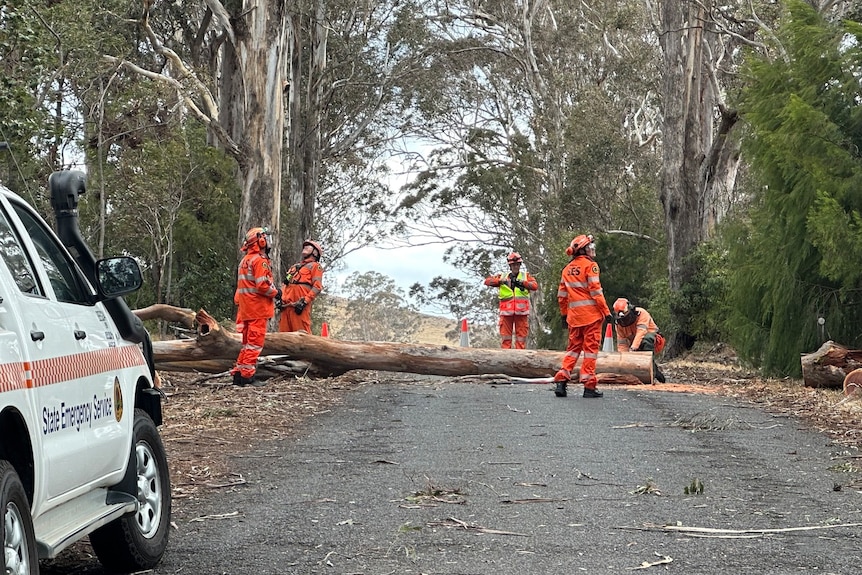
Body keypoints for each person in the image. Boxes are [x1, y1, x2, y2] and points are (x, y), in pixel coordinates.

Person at [553, 235, 612, 398]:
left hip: (574, 318)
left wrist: (565, 315)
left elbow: (562, 296)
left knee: (572, 350)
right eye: (590, 246)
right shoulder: (591, 266)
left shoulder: (566, 270)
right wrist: (606, 312)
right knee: (591, 351)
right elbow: (596, 292)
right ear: (583, 249)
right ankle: (589, 386)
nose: (592, 249)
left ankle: (562, 381)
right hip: (591, 317)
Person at [231, 227, 281, 387]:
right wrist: (277, 293)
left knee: (247, 344)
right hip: (258, 309)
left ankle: (238, 374)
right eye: (265, 238)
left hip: (246, 309)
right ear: (260, 241)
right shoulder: (259, 261)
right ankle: (247, 377)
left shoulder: (244, 261)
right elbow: (262, 286)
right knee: (254, 344)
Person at [483, 252, 539, 349]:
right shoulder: (502, 276)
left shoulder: (526, 276)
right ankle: (506, 359)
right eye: (513, 265)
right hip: (506, 313)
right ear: (510, 266)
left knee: (521, 340)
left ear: (520, 265)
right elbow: (487, 281)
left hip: (521, 313)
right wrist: (500, 282)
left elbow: (534, 286)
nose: (515, 267)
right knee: (506, 339)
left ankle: (520, 359)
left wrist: (522, 283)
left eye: (517, 265)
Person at [613, 298, 667, 383]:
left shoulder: (642, 313)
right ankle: (654, 371)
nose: (624, 321)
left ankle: (651, 373)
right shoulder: (618, 324)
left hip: (655, 341)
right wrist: (624, 358)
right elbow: (622, 344)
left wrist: (633, 348)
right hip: (636, 345)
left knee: (646, 339)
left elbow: (641, 332)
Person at [279, 239, 324, 333]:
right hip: (286, 307)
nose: (305, 247)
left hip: (299, 307)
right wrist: (280, 299)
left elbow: (317, 287)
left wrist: (305, 302)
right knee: (284, 337)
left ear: (315, 253)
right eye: (305, 246)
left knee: (302, 336)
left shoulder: (315, 266)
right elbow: (285, 284)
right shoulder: (294, 267)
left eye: (309, 246)